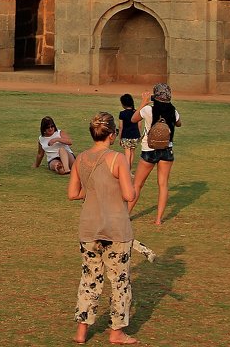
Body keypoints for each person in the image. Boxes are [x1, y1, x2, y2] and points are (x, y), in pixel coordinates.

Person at [68, 112, 138, 346]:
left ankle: (81, 331)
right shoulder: (117, 159)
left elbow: (73, 194)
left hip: (89, 228)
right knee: (119, 282)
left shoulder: (81, 159)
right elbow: (129, 195)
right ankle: (117, 333)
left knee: (89, 279)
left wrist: (95, 190)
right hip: (116, 229)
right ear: (111, 135)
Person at [129, 83, 180, 226]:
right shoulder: (173, 111)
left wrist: (144, 102)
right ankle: (158, 220)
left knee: (138, 184)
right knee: (163, 184)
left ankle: (126, 214)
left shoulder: (148, 110)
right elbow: (179, 123)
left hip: (149, 150)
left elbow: (133, 119)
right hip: (167, 150)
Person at [117, 94, 140, 168]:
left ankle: (126, 171)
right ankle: (129, 170)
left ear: (123, 104)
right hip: (135, 135)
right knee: (132, 153)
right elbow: (139, 125)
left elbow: (121, 127)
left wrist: (120, 137)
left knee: (127, 153)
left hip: (126, 136)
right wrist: (139, 135)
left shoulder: (122, 114)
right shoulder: (136, 112)